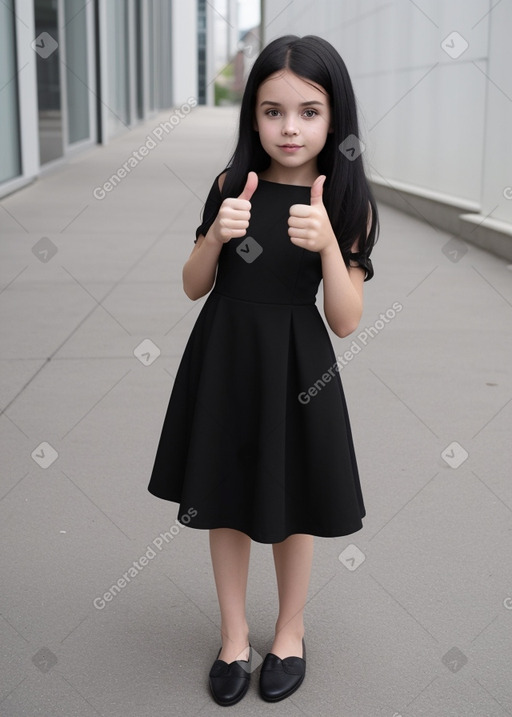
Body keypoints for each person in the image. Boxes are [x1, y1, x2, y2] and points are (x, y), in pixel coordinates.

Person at [148, 34, 379, 706]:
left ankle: (290, 631)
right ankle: (232, 635)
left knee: (292, 500)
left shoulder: (344, 200)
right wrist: (217, 234)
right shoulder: (230, 186)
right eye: (273, 111)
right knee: (221, 492)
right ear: (252, 115)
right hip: (225, 356)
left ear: (334, 118)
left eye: (309, 111)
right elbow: (194, 284)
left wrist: (330, 244)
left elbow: (346, 317)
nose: (290, 127)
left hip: (297, 365)